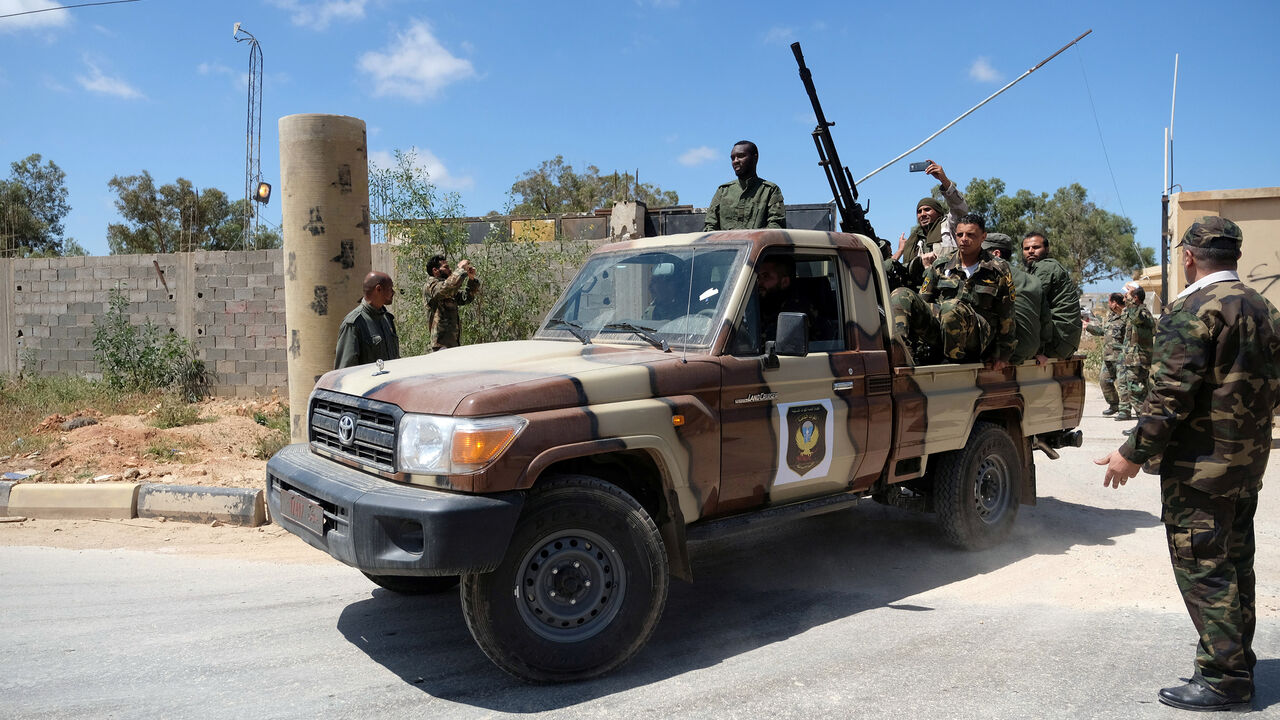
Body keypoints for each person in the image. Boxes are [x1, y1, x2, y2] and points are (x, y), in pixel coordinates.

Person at [1096, 217, 1280, 712]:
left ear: (1190, 256)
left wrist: (1129, 454)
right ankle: (1237, 658)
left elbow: (1167, 398)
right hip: (1245, 465)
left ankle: (1225, 678)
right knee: (1236, 562)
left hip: (1199, 468)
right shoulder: (1265, 308)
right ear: (1235, 255)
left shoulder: (1194, 309)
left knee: (1204, 568)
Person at [890, 213, 1015, 368]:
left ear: (983, 237)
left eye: (970, 235)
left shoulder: (997, 268)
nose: (964, 239)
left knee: (952, 307)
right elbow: (923, 302)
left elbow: (1007, 315)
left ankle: (952, 361)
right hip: (943, 326)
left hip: (976, 336)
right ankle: (902, 355)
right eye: (960, 234)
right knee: (901, 294)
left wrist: (1003, 354)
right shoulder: (941, 264)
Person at [895, 160, 968, 291]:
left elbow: (959, 208)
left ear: (938, 211)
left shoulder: (949, 226)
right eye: (919, 211)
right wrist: (901, 250)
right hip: (918, 291)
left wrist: (944, 180)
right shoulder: (915, 239)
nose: (922, 214)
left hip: (947, 289)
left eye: (927, 209)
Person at [982, 232, 1048, 365]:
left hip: (1002, 355)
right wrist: (1040, 351)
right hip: (1029, 352)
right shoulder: (1033, 280)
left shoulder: (990, 276)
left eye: (981, 253)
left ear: (996, 254)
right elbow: (1046, 321)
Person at [1022, 232, 1082, 359]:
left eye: (1036, 247)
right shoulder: (1038, 269)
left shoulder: (1046, 267)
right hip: (1064, 341)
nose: (1031, 251)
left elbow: (1029, 303)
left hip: (1057, 341)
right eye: (1026, 248)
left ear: (1047, 249)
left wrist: (1038, 349)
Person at [703, 141, 785, 231]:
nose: (735, 161)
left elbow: (776, 226)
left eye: (741, 156)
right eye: (732, 158)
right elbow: (710, 226)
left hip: (757, 244)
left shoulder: (770, 190)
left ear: (755, 158)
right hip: (725, 244)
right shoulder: (723, 191)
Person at [334, 271, 400, 369]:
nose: (393, 292)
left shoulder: (387, 318)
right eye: (390, 288)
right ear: (378, 289)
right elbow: (345, 370)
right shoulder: (354, 323)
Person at [1115, 283, 1155, 423]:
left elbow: (1136, 317)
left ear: (1136, 298)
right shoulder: (1133, 312)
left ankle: (1144, 425)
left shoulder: (1142, 313)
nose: (1124, 299)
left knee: (1136, 393)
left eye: (1127, 297)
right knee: (1140, 392)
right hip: (1132, 359)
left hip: (1138, 360)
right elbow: (1126, 317)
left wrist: (1133, 296)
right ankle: (1143, 424)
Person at [424, 254, 481, 351]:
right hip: (440, 345)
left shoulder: (448, 287)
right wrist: (460, 269)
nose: (450, 269)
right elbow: (446, 288)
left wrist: (471, 279)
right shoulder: (431, 286)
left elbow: (465, 298)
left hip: (453, 344)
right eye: (446, 267)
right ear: (435, 270)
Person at [755, 256, 816, 344]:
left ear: (784, 282)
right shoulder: (759, 306)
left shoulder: (796, 312)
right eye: (758, 277)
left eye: (765, 276)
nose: (759, 282)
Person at [1083, 292, 1127, 415]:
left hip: (1121, 357)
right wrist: (1088, 327)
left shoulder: (1126, 316)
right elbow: (1102, 331)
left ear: (1114, 303)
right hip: (1108, 356)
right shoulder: (1110, 317)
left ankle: (1125, 410)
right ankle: (1114, 405)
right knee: (1104, 381)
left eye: (1109, 302)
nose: (1108, 304)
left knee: (1123, 385)